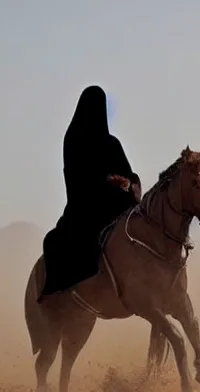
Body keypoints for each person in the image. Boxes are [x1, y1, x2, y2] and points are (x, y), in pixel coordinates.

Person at [38, 85, 142, 301]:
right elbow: (76, 177)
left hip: (118, 203)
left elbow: (129, 173)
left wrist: (131, 184)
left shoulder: (112, 143)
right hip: (86, 204)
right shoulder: (74, 140)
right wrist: (107, 182)